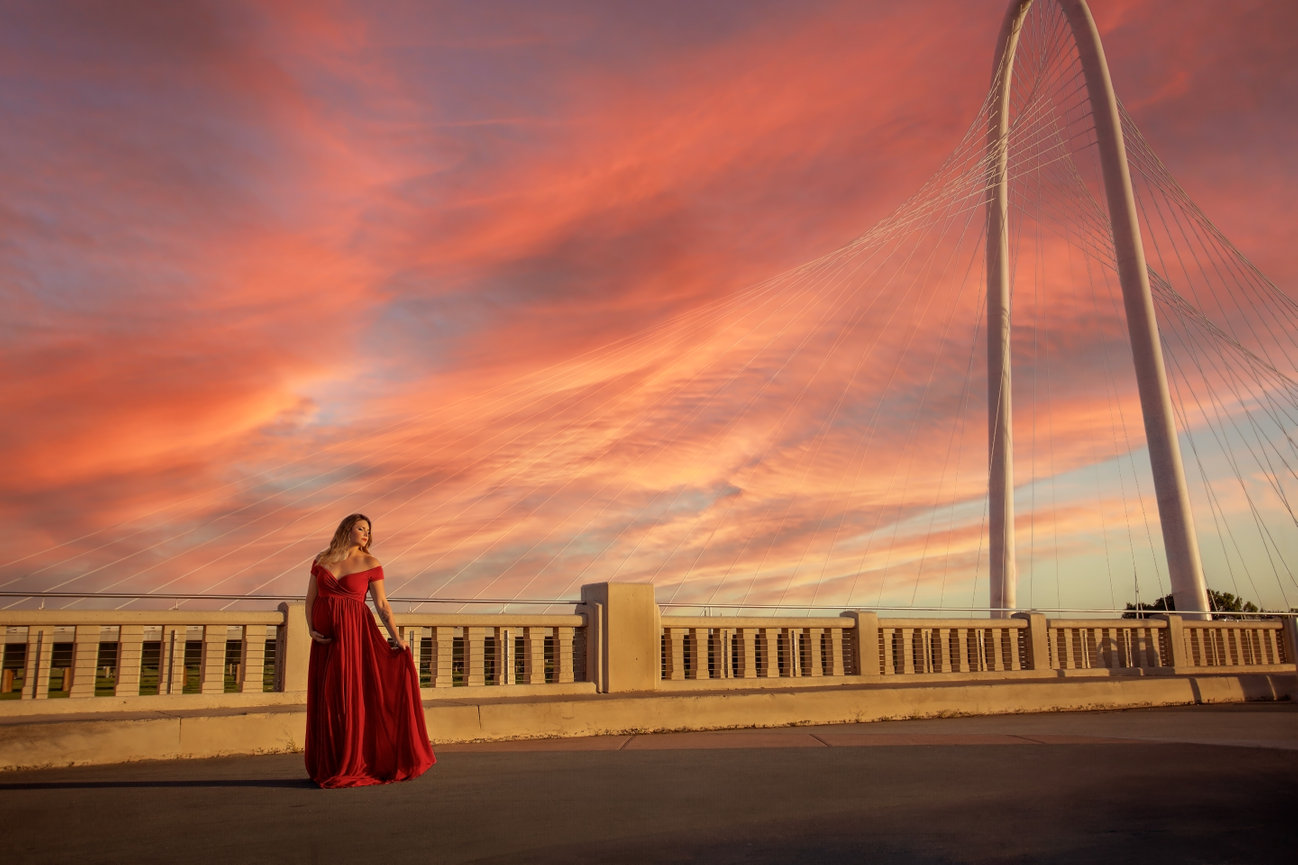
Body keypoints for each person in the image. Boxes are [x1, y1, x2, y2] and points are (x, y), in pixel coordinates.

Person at [304, 513, 436, 787]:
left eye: (368, 530)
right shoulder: (322, 559)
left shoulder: (371, 563)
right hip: (325, 643)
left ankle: (353, 761)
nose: (366, 534)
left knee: (349, 698)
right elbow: (310, 599)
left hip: (355, 638)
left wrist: (396, 637)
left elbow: (382, 605)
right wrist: (310, 628)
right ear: (346, 529)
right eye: (360, 528)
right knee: (328, 700)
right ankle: (329, 763)